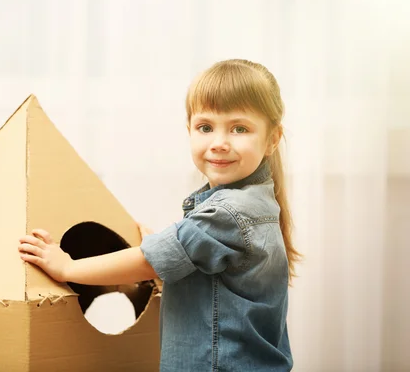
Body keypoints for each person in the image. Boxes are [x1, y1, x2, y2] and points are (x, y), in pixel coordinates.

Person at [18, 59, 301, 371]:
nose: (219, 143)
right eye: (205, 127)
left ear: (272, 139)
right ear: (189, 129)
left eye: (239, 129)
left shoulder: (230, 213)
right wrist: (168, 247)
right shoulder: (254, 202)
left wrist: (67, 267)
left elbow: (146, 262)